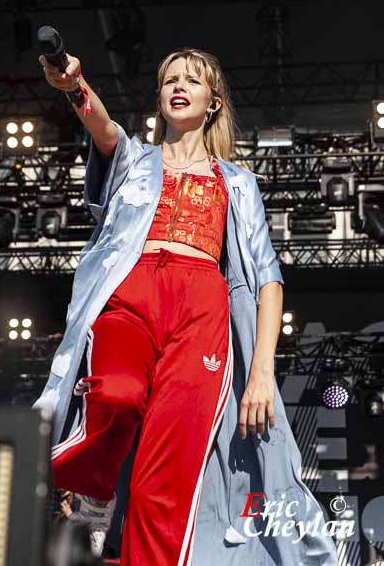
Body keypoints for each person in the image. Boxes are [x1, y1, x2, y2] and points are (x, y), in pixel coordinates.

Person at [34, 47, 338, 565]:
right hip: (131, 297)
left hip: (202, 314)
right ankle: (91, 492)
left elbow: (268, 280)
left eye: (192, 81)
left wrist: (261, 374)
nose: (178, 86)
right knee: (118, 395)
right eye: (169, 79)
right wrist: (77, 88)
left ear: (213, 102)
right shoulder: (133, 159)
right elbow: (103, 129)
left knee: (165, 483)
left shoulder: (237, 183)